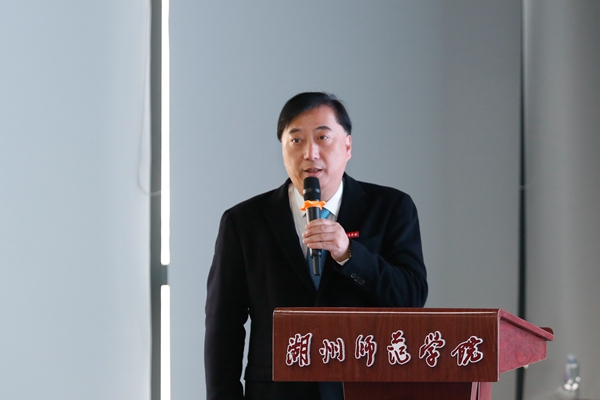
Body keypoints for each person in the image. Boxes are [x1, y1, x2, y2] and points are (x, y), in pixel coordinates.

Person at [205, 92, 428, 400]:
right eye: (296, 140)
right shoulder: (244, 221)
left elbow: (411, 297)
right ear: (283, 149)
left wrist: (349, 254)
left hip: (364, 388)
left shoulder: (391, 207)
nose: (310, 153)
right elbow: (224, 326)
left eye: (323, 138)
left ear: (347, 146)